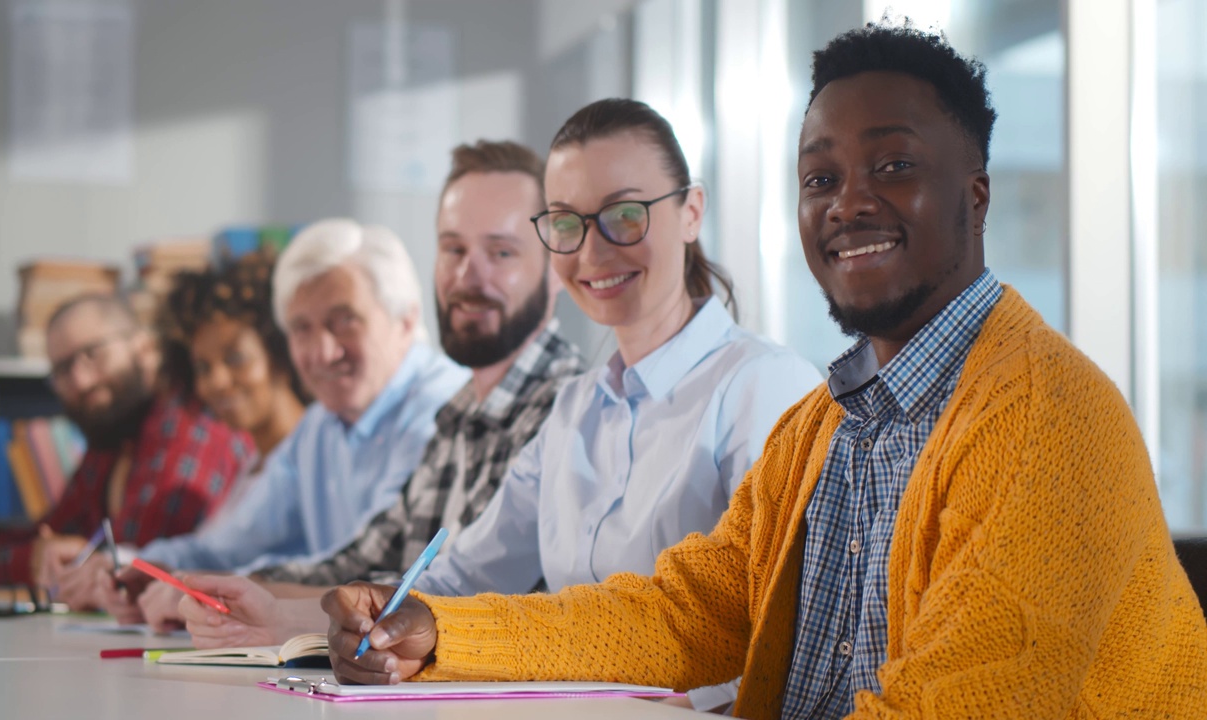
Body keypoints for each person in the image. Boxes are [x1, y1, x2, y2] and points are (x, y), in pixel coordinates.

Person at [318, 23, 1207, 719]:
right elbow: (688, 614)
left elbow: (961, 702)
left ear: (976, 193)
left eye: (893, 167)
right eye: (819, 179)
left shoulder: (1049, 419)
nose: (849, 202)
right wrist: (438, 629)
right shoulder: (823, 426)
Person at [186, 100, 821, 711]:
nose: (593, 250)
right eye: (567, 223)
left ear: (691, 213)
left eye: (625, 214)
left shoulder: (764, 388)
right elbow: (458, 579)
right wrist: (302, 615)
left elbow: (762, 627)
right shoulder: (575, 409)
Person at [132, 140, 585, 631]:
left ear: (556, 267)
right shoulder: (461, 411)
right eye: (453, 248)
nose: (466, 275)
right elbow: (366, 564)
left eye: (501, 251)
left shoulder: (566, 408)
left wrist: (276, 610)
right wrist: (221, 590)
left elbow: (460, 597)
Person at [92, 218, 468, 597]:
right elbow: (228, 545)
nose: (322, 352)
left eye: (345, 321)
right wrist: (142, 567)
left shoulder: (445, 412)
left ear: (406, 320)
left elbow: (374, 571)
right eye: (302, 328)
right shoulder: (321, 425)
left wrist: (212, 589)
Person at [0, 294, 252, 587]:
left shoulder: (189, 425)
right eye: (63, 370)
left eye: (93, 355)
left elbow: (129, 565)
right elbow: (50, 534)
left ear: (146, 349)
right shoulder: (112, 436)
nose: (80, 381)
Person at [43, 254, 309, 610]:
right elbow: (213, 550)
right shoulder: (254, 467)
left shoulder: (315, 451)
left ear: (278, 351)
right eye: (202, 367)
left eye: (235, 358)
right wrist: (126, 563)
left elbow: (254, 565)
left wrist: (161, 574)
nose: (216, 382)